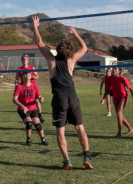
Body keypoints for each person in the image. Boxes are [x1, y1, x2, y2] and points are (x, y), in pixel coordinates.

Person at [31, 15, 93, 170]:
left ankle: (67, 161)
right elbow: (85, 48)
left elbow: (39, 42)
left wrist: (35, 27)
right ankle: (87, 157)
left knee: (60, 131)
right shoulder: (71, 60)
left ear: (57, 50)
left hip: (59, 99)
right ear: (69, 51)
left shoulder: (51, 60)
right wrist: (75, 33)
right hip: (73, 97)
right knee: (80, 128)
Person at [13, 71, 50, 147]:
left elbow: (39, 97)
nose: (28, 75)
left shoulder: (35, 86)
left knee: (37, 123)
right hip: (22, 109)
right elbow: (14, 99)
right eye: (25, 74)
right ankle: (28, 140)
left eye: (29, 74)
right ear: (22, 77)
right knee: (29, 123)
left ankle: (43, 139)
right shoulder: (19, 86)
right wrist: (23, 106)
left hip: (33, 109)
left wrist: (41, 98)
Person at [104, 67, 133, 137]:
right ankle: (130, 128)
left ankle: (119, 133)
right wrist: (103, 98)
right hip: (115, 98)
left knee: (119, 113)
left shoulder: (123, 79)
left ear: (119, 71)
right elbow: (107, 89)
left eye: (115, 69)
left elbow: (131, 89)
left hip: (124, 97)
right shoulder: (110, 79)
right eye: (113, 69)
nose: (113, 70)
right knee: (119, 115)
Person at [15, 54, 45, 123]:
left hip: (32, 87)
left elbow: (37, 76)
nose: (24, 61)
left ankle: (40, 115)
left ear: (28, 61)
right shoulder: (19, 69)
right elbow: (16, 79)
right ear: (21, 60)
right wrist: (16, 87)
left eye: (26, 59)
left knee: (37, 101)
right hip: (23, 88)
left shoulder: (32, 68)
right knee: (24, 102)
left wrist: (33, 77)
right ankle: (26, 117)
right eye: (23, 59)